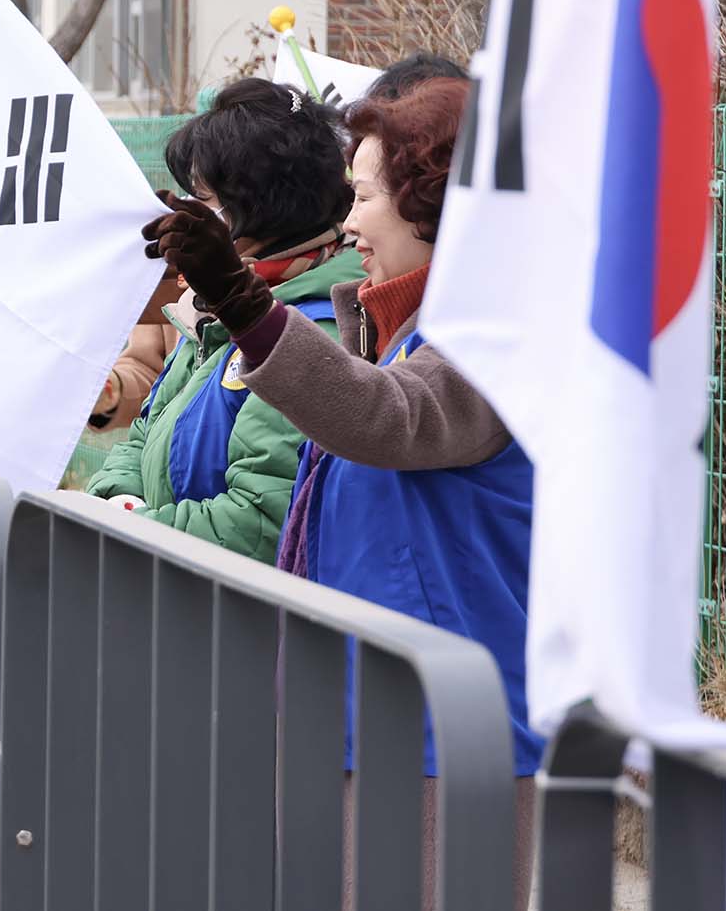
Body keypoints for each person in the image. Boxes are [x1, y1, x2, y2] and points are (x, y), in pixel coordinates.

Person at [144, 79, 537, 904]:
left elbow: (386, 419)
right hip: (378, 710)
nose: (348, 221)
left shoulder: (499, 340)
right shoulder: (412, 335)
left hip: (444, 726)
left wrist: (244, 303)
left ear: (431, 204)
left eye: (363, 197)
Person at [82, 79, 364, 560]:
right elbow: (144, 434)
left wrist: (123, 527)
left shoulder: (319, 329)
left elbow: (261, 521)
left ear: (260, 207)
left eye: (205, 199)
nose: (188, 214)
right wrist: (114, 503)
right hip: (170, 589)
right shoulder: (213, 307)